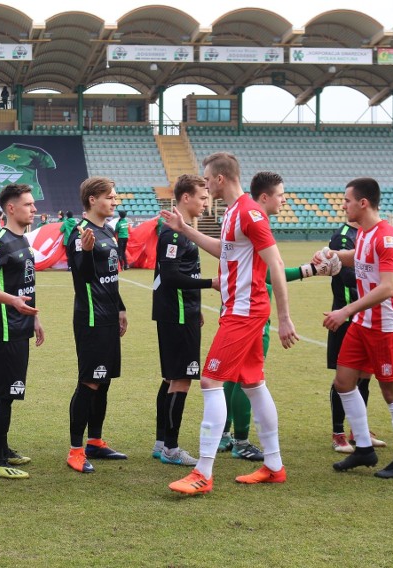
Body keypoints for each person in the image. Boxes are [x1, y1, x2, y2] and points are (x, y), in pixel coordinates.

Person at [164, 153, 298, 495]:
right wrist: (186, 230)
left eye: (207, 179)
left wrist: (284, 318)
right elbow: (226, 249)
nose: (205, 185)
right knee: (253, 383)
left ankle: (203, 472)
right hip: (238, 309)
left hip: (245, 311)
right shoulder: (232, 213)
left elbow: (277, 264)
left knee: (210, 380)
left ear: (220, 179)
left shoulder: (250, 213)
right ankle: (274, 465)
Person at [217, 172, 336, 462]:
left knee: (230, 377)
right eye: (281, 194)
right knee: (248, 381)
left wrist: (309, 270)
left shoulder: (238, 215)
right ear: (265, 197)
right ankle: (243, 441)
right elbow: (271, 272)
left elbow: (265, 272)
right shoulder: (254, 219)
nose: (284, 199)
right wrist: (309, 274)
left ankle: (224, 435)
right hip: (251, 315)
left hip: (234, 309)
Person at [323, 177, 393, 478]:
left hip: (386, 326)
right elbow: (357, 259)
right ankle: (363, 448)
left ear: (363, 203)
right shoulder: (363, 233)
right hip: (362, 325)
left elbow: (388, 288)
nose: (343, 205)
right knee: (344, 382)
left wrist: (345, 310)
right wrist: (331, 256)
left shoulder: (386, 237)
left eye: (347, 200)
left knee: (391, 390)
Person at [0, 184, 44, 480]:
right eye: (29, 204)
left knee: (12, 392)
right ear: (11, 208)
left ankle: (4, 449)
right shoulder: (0, 242)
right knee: (4, 394)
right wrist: (13, 302)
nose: (34, 209)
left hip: (21, 327)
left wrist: (35, 318)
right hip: (4, 329)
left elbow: (25, 285)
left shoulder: (23, 241)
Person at [64, 177, 128, 474]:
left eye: (114, 198)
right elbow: (82, 276)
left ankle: (95, 441)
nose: (115, 202)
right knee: (89, 381)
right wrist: (87, 253)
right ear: (92, 200)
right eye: (110, 198)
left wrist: (121, 308)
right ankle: (76, 450)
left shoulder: (107, 231)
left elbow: (110, 278)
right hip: (90, 318)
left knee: (104, 381)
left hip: (108, 315)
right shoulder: (80, 234)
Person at [151, 175, 212, 468]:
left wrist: (195, 305)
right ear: (185, 198)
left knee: (171, 377)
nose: (206, 202)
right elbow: (172, 276)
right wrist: (211, 283)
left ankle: (162, 442)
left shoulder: (182, 231)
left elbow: (182, 273)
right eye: (202, 197)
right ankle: (171, 449)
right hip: (175, 313)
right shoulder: (173, 234)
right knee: (181, 379)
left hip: (182, 310)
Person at [325, 220, 386, 452]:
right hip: (346, 316)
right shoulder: (342, 237)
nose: (345, 206)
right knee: (344, 377)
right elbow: (348, 277)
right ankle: (338, 433)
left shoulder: (367, 234)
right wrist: (384, 277)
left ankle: (359, 431)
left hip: (367, 316)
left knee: (365, 375)